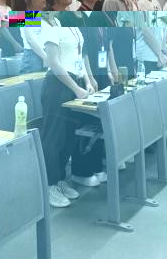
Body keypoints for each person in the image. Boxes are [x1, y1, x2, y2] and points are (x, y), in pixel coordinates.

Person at [40, 17, 104, 208]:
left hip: (74, 83)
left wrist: (87, 81)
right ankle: (49, 185)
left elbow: (78, 56)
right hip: (57, 86)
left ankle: (60, 179)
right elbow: (53, 62)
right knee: (54, 138)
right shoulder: (47, 23)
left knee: (68, 137)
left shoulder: (66, 23)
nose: (71, 1)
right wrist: (76, 88)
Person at [13, 0, 47, 73]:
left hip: (44, 54)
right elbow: (30, 40)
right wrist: (46, 58)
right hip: (33, 57)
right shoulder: (23, 15)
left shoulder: (40, 15)